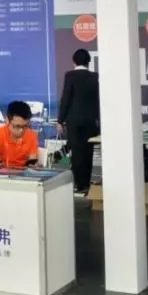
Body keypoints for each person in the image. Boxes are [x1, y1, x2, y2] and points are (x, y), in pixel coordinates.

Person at [57, 48, 100, 196]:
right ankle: (86, 184)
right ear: (88, 62)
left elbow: (66, 98)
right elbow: (97, 100)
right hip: (90, 121)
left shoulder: (70, 75)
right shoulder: (94, 77)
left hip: (74, 121)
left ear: (73, 61)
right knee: (88, 153)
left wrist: (60, 120)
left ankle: (78, 184)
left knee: (76, 153)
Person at [0, 101, 40, 170]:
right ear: (7, 120)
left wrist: (34, 165)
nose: (21, 131)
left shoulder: (32, 136)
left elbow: (32, 161)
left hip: (21, 173)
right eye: (17, 126)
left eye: (25, 126)